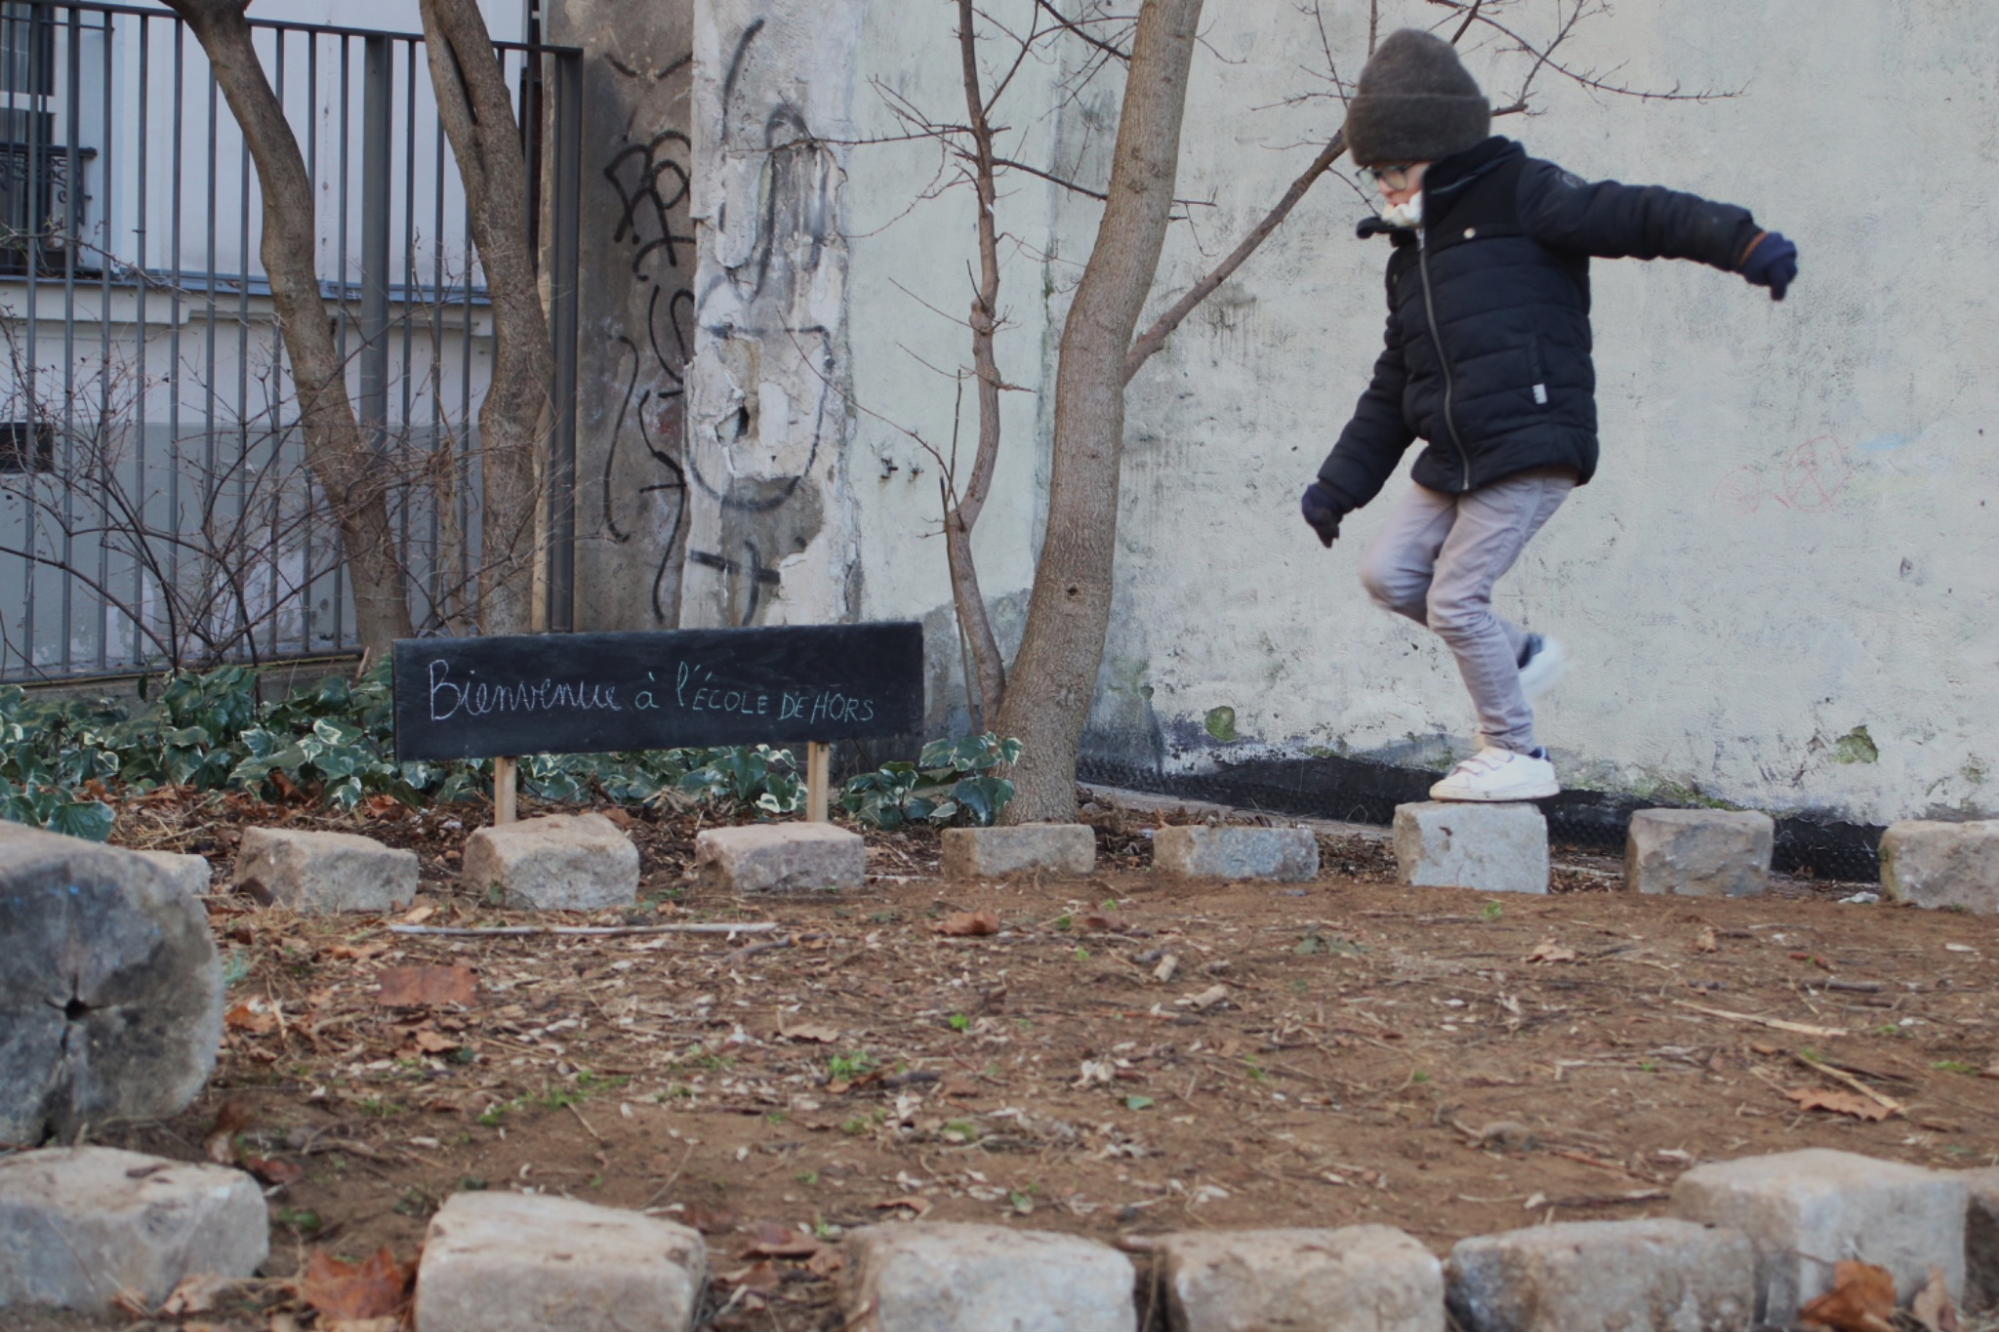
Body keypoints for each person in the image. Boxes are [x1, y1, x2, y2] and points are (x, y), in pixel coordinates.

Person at [1301, 28, 1797, 802]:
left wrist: (1742, 241)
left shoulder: (1524, 194)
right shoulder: (1413, 258)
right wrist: (1337, 487)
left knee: (1454, 598)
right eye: (1375, 177)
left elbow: (1638, 215)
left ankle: (1516, 749)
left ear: (1437, 149)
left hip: (1531, 444)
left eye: (1393, 170)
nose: (1386, 190)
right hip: (1454, 456)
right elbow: (1392, 384)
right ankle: (1519, 653)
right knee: (1387, 573)